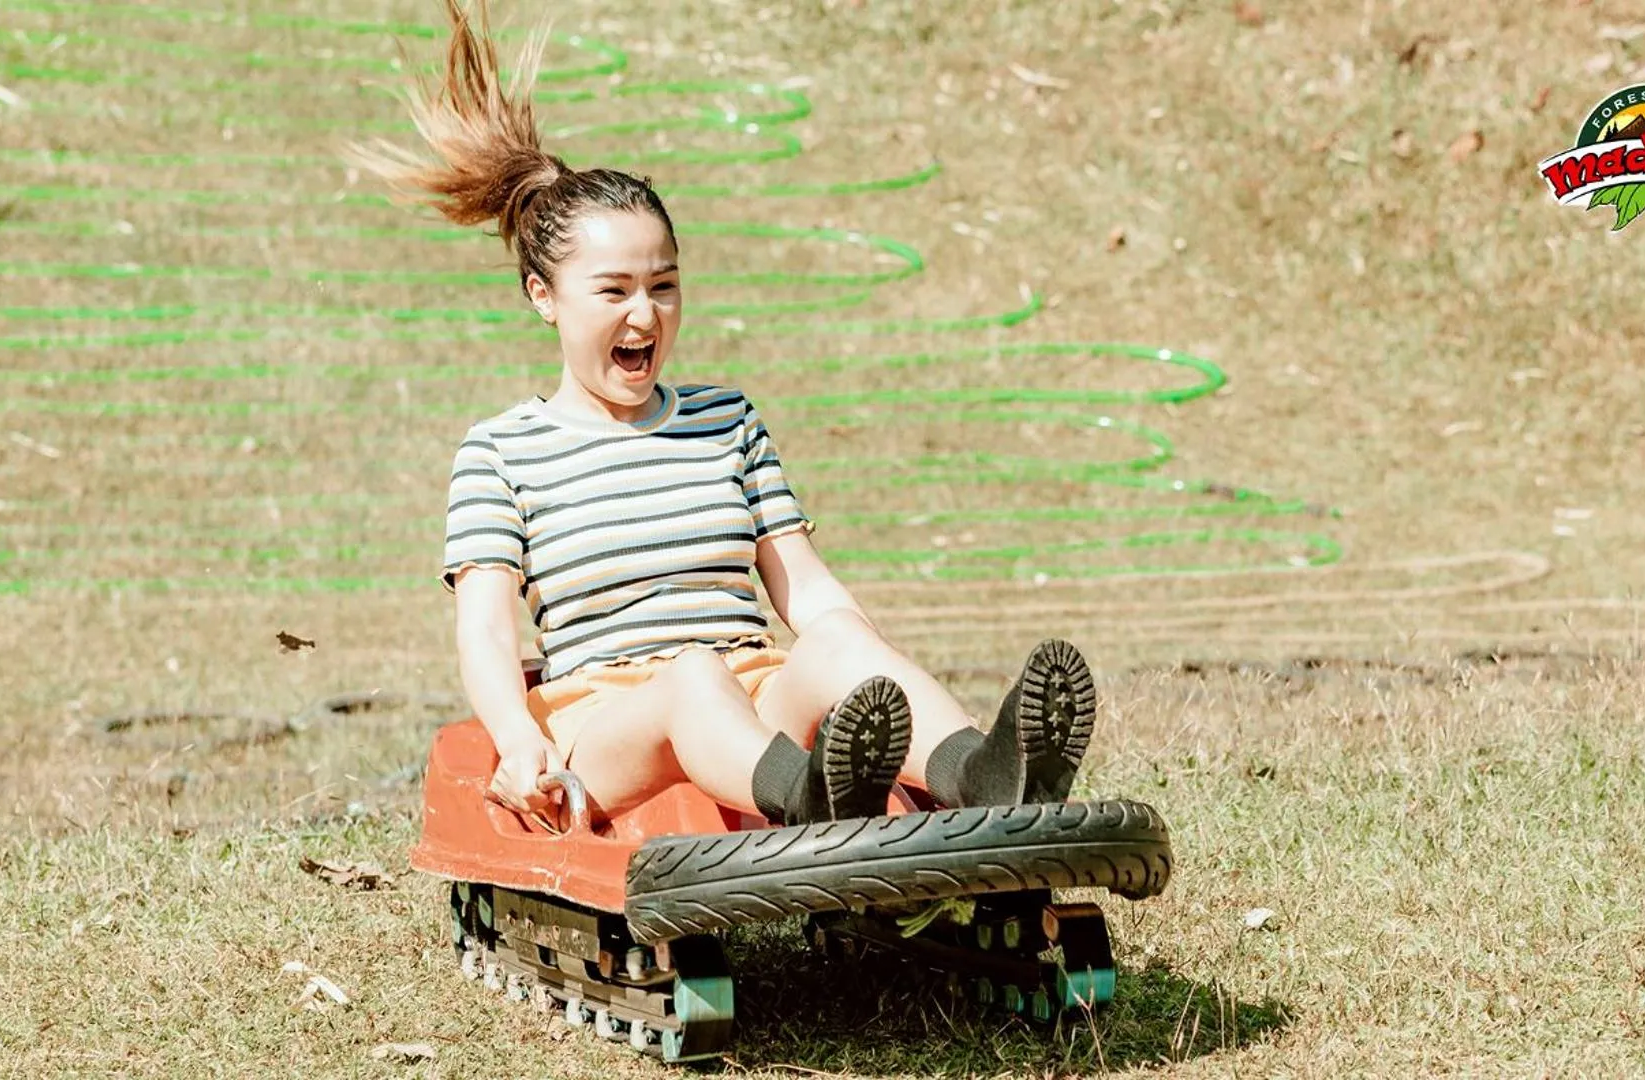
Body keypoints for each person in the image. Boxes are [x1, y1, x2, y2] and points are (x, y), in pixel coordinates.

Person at [348, 0, 1098, 827]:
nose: (646, 316)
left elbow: (806, 589)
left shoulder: (726, 420)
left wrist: (865, 666)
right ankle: (811, 796)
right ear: (543, 297)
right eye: (614, 291)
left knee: (834, 644)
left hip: (753, 703)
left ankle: (985, 776)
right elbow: (488, 632)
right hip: (613, 729)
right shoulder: (502, 451)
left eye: (664, 286)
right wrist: (518, 741)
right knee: (693, 676)